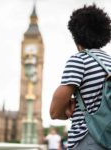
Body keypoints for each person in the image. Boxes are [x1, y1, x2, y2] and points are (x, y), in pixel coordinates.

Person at [50, 4, 111, 150]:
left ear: (76, 35)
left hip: (88, 139)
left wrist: (67, 111)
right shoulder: (109, 62)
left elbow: (54, 112)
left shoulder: (80, 60)